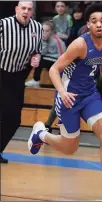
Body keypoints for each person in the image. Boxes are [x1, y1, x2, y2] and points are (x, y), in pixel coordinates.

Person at [28, 3, 102, 201]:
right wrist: (62, 92)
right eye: (94, 21)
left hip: (90, 95)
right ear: (88, 25)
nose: (99, 24)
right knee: (70, 148)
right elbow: (53, 69)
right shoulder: (80, 44)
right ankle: (41, 134)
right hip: (69, 97)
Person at [0, 1, 43, 163]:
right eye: (23, 8)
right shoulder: (4, 25)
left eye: (29, 9)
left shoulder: (37, 28)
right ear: (17, 9)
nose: (26, 11)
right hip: (1, 71)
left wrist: (36, 58)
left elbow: (37, 50)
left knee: (14, 119)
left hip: (18, 75)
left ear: (32, 12)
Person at [25, 21, 66, 87]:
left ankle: (36, 81)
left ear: (52, 32)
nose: (44, 33)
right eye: (42, 31)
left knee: (40, 59)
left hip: (58, 61)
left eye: (47, 31)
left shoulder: (57, 40)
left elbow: (63, 55)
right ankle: (24, 79)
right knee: (33, 58)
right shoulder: (41, 40)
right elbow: (41, 52)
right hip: (48, 60)